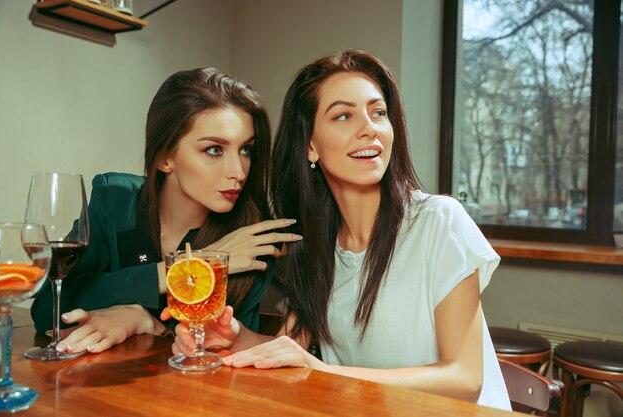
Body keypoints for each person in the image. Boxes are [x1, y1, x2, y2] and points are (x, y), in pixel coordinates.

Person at [170, 51, 511, 410]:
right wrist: (236, 340)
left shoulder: (439, 221)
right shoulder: (315, 247)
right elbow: (293, 352)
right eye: (344, 116)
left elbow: (464, 380)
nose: (369, 128)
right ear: (310, 146)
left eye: (378, 112)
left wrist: (324, 373)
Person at [31, 68, 301, 354]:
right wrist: (181, 271)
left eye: (246, 150)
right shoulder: (115, 200)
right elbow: (47, 308)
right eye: (214, 150)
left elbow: (223, 349)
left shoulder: (250, 239)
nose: (238, 171)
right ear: (164, 157)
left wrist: (148, 322)